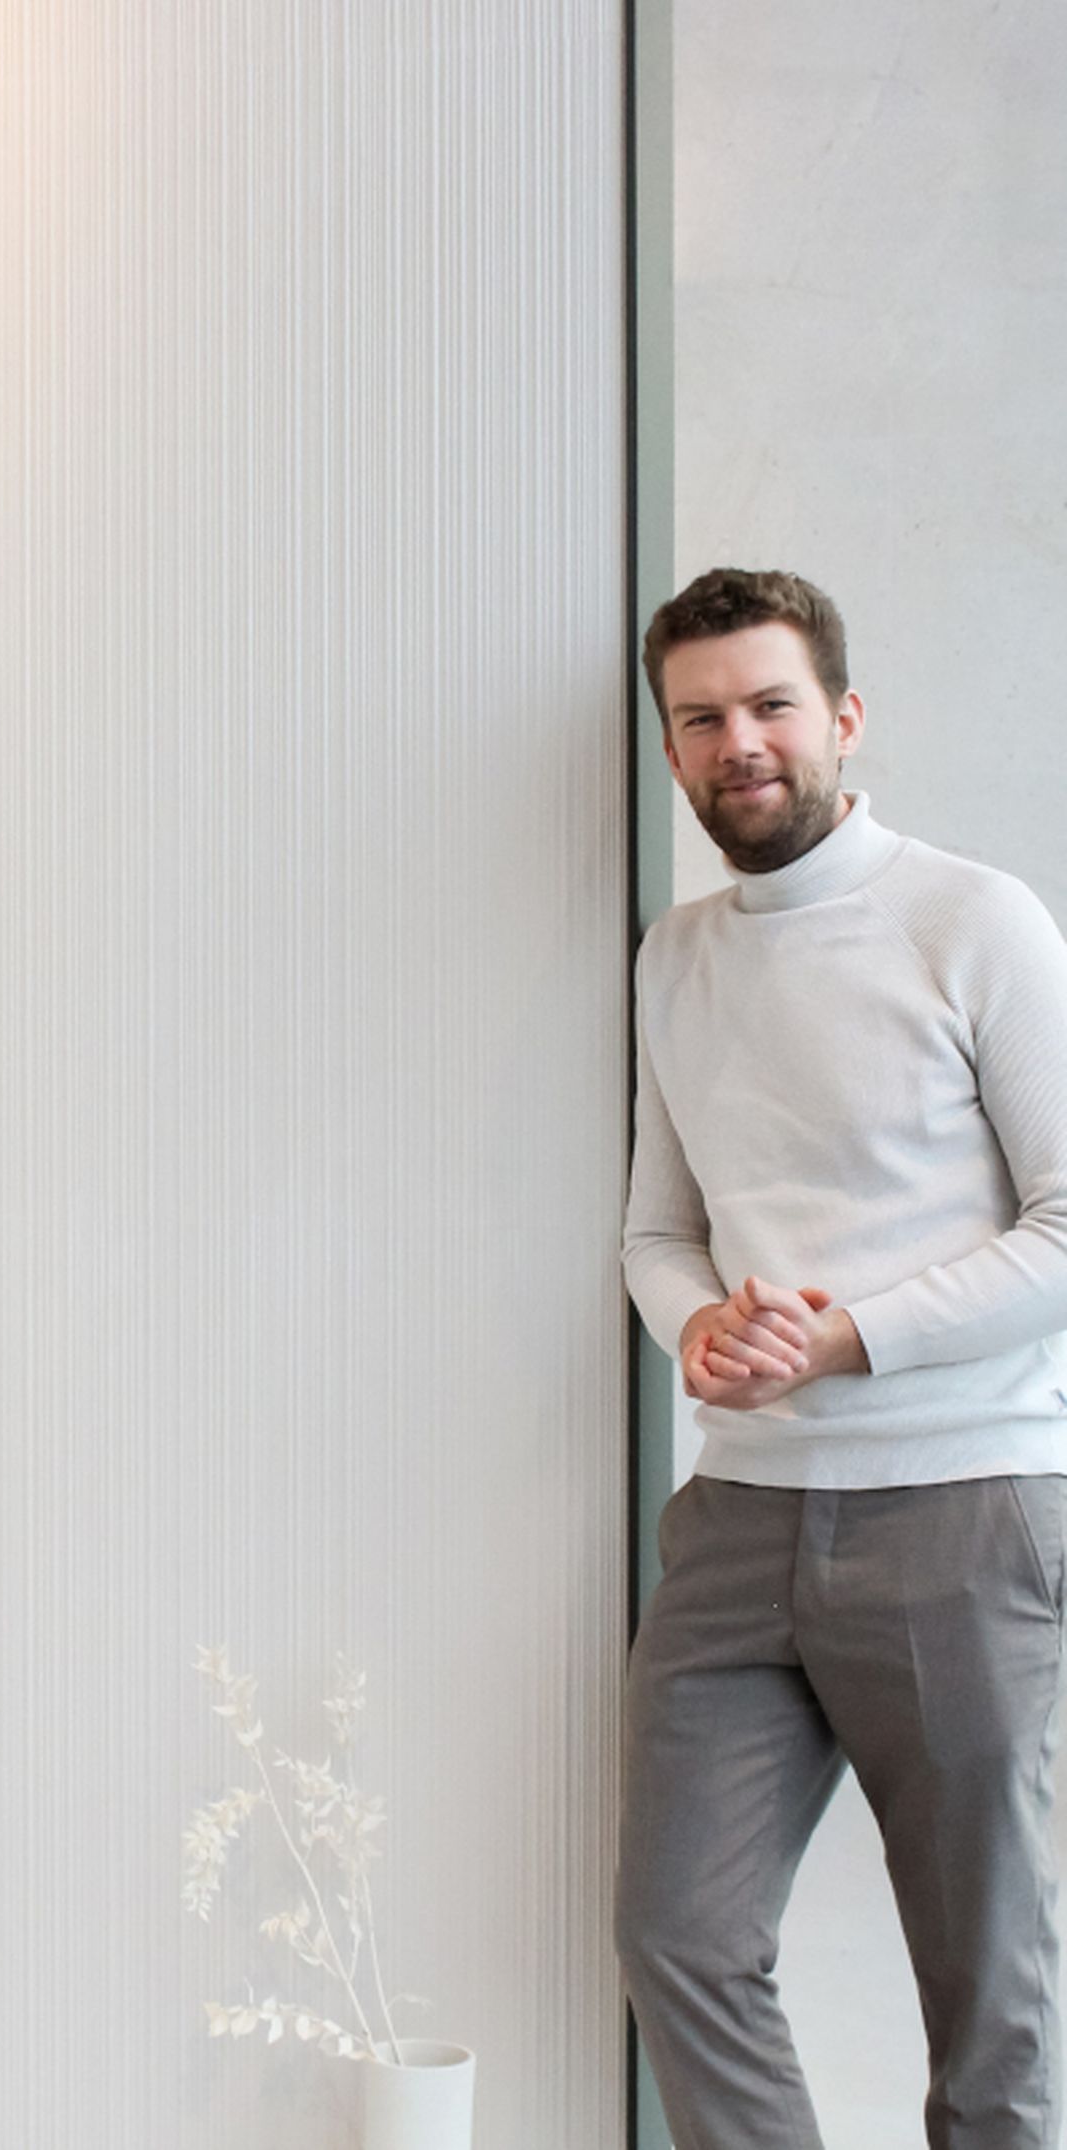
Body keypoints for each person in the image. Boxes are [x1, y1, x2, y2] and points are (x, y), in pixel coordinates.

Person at [616, 566, 1067, 2150]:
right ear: (671, 752)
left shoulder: (974, 917)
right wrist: (704, 1324)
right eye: (702, 718)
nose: (739, 741)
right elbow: (655, 1233)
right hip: (740, 1525)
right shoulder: (677, 958)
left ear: (844, 716)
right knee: (679, 1936)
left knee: (987, 1998)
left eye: (769, 704)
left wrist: (850, 1336)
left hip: (959, 1509)